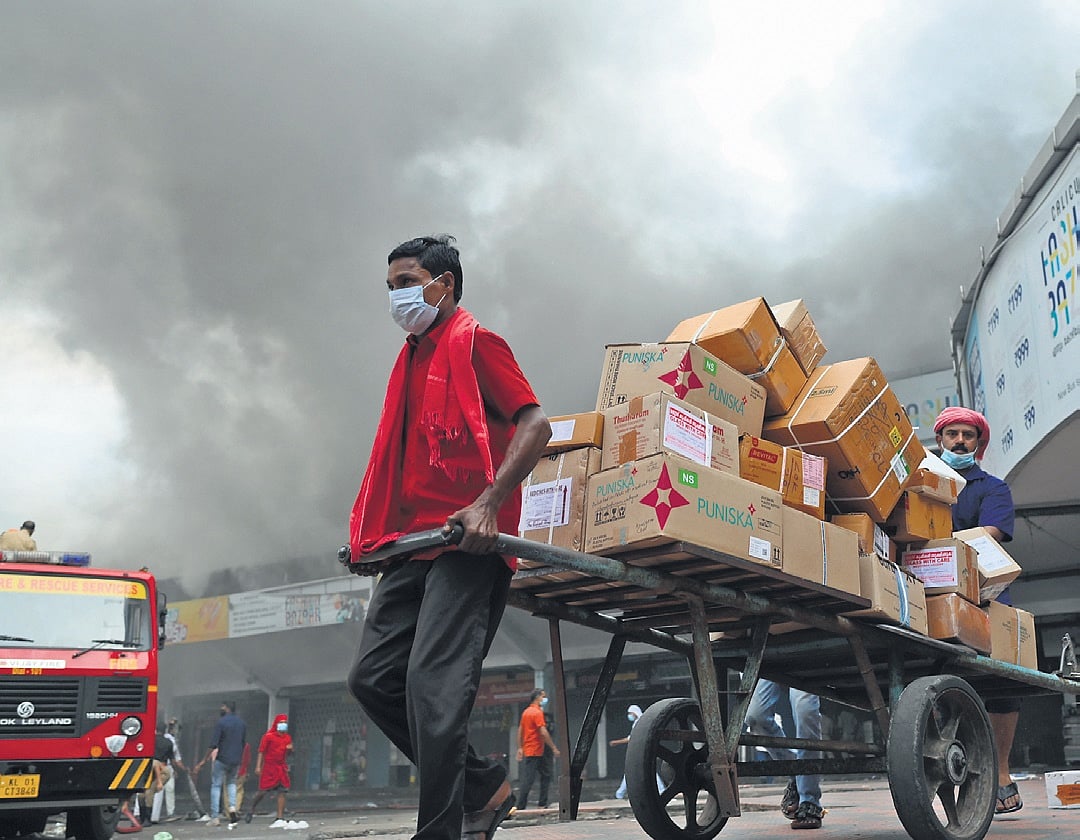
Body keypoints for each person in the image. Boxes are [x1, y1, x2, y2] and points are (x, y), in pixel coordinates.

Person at [346, 234, 551, 840]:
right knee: (371, 680)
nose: (398, 296)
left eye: (407, 282)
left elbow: (536, 426)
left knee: (433, 689)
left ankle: (440, 831)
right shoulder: (410, 357)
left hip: (466, 545)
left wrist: (488, 504)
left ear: (446, 285)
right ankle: (484, 784)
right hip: (409, 544)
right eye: (390, 287)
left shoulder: (477, 343)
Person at [933, 406, 1021, 815]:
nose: (960, 441)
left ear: (978, 443)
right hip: (931, 591)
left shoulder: (993, 488)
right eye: (953, 434)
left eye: (968, 435)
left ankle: (1001, 771)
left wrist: (941, 543)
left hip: (986, 596)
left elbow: (991, 535)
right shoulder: (926, 483)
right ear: (941, 440)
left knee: (1000, 685)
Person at [745, 680, 825, 830]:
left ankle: (809, 800)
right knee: (755, 716)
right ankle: (796, 772)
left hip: (804, 658)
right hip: (763, 657)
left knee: (806, 712)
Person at [195, 700, 247, 827]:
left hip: (222, 759)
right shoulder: (242, 723)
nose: (221, 708)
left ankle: (215, 817)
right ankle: (233, 808)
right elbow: (243, 742)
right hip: (236, 760)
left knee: (216, 785)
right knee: (231, 783)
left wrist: (204, 760)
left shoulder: (221, 722)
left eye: (223, 706)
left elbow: (213, 743)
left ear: (227, 708)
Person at [244, 714, 294, 827]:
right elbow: (261, 751)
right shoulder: (268, 736)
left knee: (282, 791)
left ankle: (279, 817)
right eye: (281, 722)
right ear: (276, 723)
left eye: (285, 722)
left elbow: (289, 753)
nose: (283, 724)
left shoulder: (287, 737)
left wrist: (290, 749)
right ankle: (251, 809)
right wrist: (258, 767)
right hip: (269, 767)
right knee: (263, 791)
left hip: (281, 767)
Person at [516, 689, 559, 810]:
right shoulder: (537, 712)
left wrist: (520, 747)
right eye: (543, 697)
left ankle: (524, 804)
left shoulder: (526, 712)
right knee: (542, 776)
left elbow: (520, 731)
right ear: (537, 697)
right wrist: (553, 747)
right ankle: (539, 803)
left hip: (531, 749)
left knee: (531, 777)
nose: (544, 699)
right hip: (538, 749)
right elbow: (543, 732)